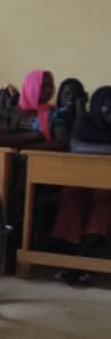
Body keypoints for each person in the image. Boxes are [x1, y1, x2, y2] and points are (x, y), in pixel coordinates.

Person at [51, 86, 111, 285]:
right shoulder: (84, 121)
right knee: (71, 193)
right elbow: (77, 146)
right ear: (96, 106)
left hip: (107, 184)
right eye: (107, 109)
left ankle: (74, 266)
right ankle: (76, 265)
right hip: (81, 179)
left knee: (104, 197)